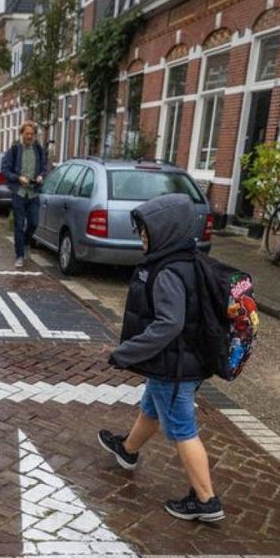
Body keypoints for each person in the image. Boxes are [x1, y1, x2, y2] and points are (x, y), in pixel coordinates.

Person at [97, 193, 224, 523]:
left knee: (183, 429)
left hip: (175, 366)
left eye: (146, 231)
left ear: (165, 231)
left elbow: (169, 324)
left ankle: (206, 500)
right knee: (152, 406)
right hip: (183, 362)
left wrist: (125, 353)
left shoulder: (168, 272)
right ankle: (128, 450)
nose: (141, 237)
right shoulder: (188, 260)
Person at [1, 121, 47, 268]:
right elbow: (5, 170)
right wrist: (17, 178)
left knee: (34, 223)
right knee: (19, 225)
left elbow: (45, 167)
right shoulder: (14, 150)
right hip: (19, 194)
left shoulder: (39, 150)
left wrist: (41, 175)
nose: (29, 136)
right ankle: (19, 255)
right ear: (22, 134)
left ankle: (26, 242)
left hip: (33, 193)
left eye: (32, 134)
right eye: (27, 134)